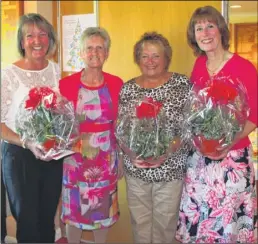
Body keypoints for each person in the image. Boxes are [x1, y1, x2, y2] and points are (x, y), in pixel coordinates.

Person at [176, 6, 258, 243]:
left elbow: (255, 113)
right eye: (199, 28)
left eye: (210, 25)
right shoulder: (199, 66)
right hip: (200, 159)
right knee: (202, 219)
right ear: (194, 36)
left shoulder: (243, 67)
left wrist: (228, 141)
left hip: (232, 159)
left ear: (221, 30)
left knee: (228, 223)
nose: (205, 32)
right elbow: (196, 109)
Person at [117, 32, 191, 243]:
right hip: (137, 171)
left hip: (170, 170)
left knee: (165, 226)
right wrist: (131, 154)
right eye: (145, 56)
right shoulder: (128, 88)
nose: (150, 61)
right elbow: (121, 128)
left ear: (166, 58)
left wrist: (166, 153)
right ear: (138, 59)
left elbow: (189, 127)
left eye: (156, 56)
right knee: (140, 224)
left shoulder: (181, 84)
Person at [1, 13, 63, 243]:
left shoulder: (56, 70)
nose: (37, 40)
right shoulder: (8, 74)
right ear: (22, 41)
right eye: (30, 35)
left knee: (47, 218)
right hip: (19, 155)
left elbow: (58, 113)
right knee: (27, 222)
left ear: (50, 39)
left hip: (50, 153)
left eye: (42, 34)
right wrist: (27, 141)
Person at [59, 27, 123, 243]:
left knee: (101, 211)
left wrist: (121, 158)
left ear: (107, 53)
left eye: (100, 48)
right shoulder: (66, 85)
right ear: (81, 53)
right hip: (75, 158)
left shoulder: (116, 83)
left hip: (106, 157)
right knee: (74, 210)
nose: (94, 52)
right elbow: (60, 126)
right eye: (89, 48)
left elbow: (121, 125)